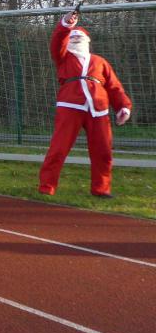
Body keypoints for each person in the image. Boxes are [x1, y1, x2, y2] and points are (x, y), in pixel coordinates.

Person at [38, 11, 132, 198]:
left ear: (87, 40)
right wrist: (67, 23)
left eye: (79, 37)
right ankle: (46, 186)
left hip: (98, 109)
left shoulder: (100, 62)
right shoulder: (63, 57)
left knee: (103, 150)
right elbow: (58, 41)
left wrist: (123, 106)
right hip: (70, 106)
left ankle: (101, 188)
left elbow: (114, 87)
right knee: (58, 148)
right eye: (72, 37)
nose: (75, 39)